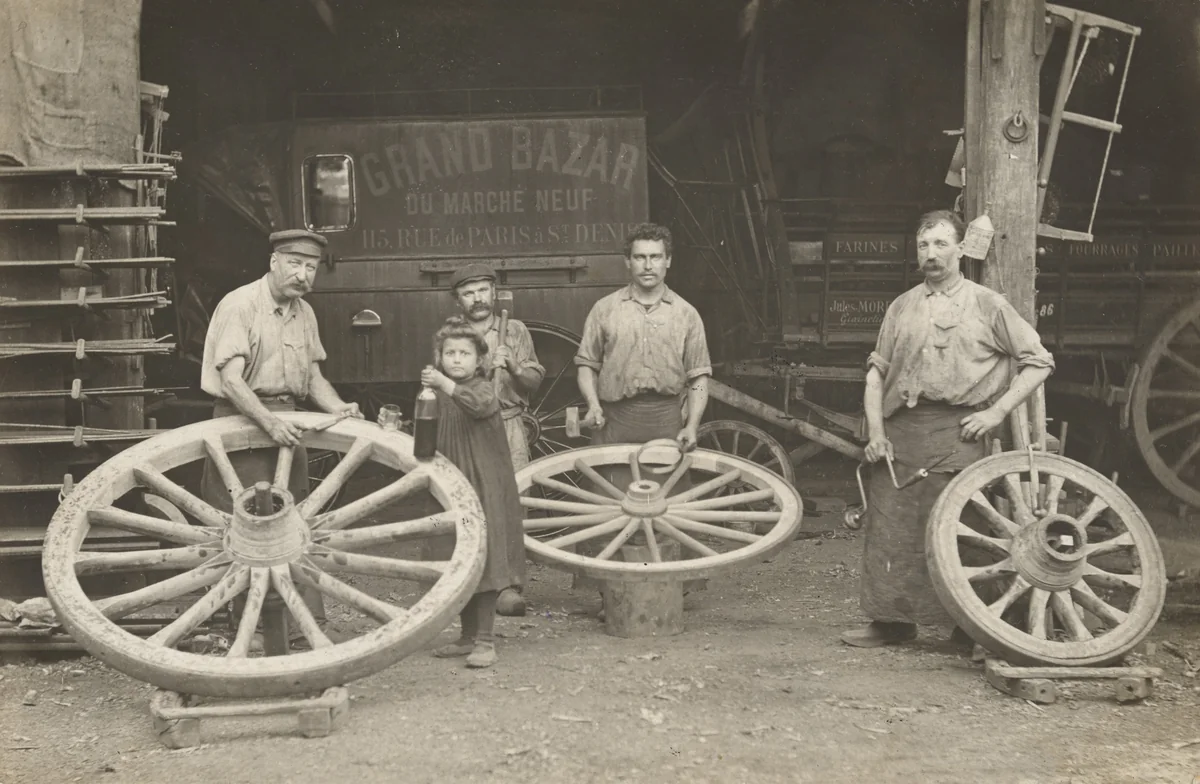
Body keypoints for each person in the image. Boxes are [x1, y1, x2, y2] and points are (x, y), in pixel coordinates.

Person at [841, 209, 1055, 648]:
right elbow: (876, 375)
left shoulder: (987, 304)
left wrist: (995, 414)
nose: (931, 253)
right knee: (892, 530)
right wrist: (876, 434)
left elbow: (1039, 362)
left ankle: (969, 627)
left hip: (960, 435)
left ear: (961, 249)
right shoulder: (901, 306)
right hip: (902, 435)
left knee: (963, 530)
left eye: (941, 244)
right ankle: (892, 621)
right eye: (924, 245)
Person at [200, 229, 363, 649]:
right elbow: (231, 381)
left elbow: (313, 376)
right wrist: (269, 423)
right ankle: (252, 631)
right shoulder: (241, 304)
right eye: (295, 264)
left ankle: (305, 628)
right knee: (248, 531)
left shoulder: (304, 312)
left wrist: (338, 407)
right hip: (240, 427)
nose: (302, 275)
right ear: (274, 262)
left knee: (297, 527)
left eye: (311, 267)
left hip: (288, 425)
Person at [574, 222, 712, 611]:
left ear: (668, 261)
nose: (647, 265)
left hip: (665, 420)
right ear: (627, 262)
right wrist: (593, 404)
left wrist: (691, 425)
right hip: (615, 420)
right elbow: (586, 365)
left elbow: (699, 377)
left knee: (669, 509)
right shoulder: (605, 310)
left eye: (655, 257)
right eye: (639, 257)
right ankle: (610, 594)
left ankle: (671, 592)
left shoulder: (686, 314)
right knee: (608, 507)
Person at [423, 317, 526, 669]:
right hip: (451, 484)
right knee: (459, 557)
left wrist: (445, 385)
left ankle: (485, 640)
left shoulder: (483, 389)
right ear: (439, 357)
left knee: (485, 558)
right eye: (449, 353)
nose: (456, 359)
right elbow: (424, 434)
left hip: (483, 484)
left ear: (479, 360)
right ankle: (467, 636)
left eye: (464, 353)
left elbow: (477, 406)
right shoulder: (435, 393)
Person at [448, 263, 544, 617]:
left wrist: (515, 367)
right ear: (458, 300)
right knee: (471, 503)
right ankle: (473, 583)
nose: (477, 299)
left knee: (512, 502)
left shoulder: (515, 331)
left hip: (508, 424)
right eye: (468, 293)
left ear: (493, 293)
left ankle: (509, 586)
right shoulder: (451, 334)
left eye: (482, 291)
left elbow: (534, 382)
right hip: (469, 426)